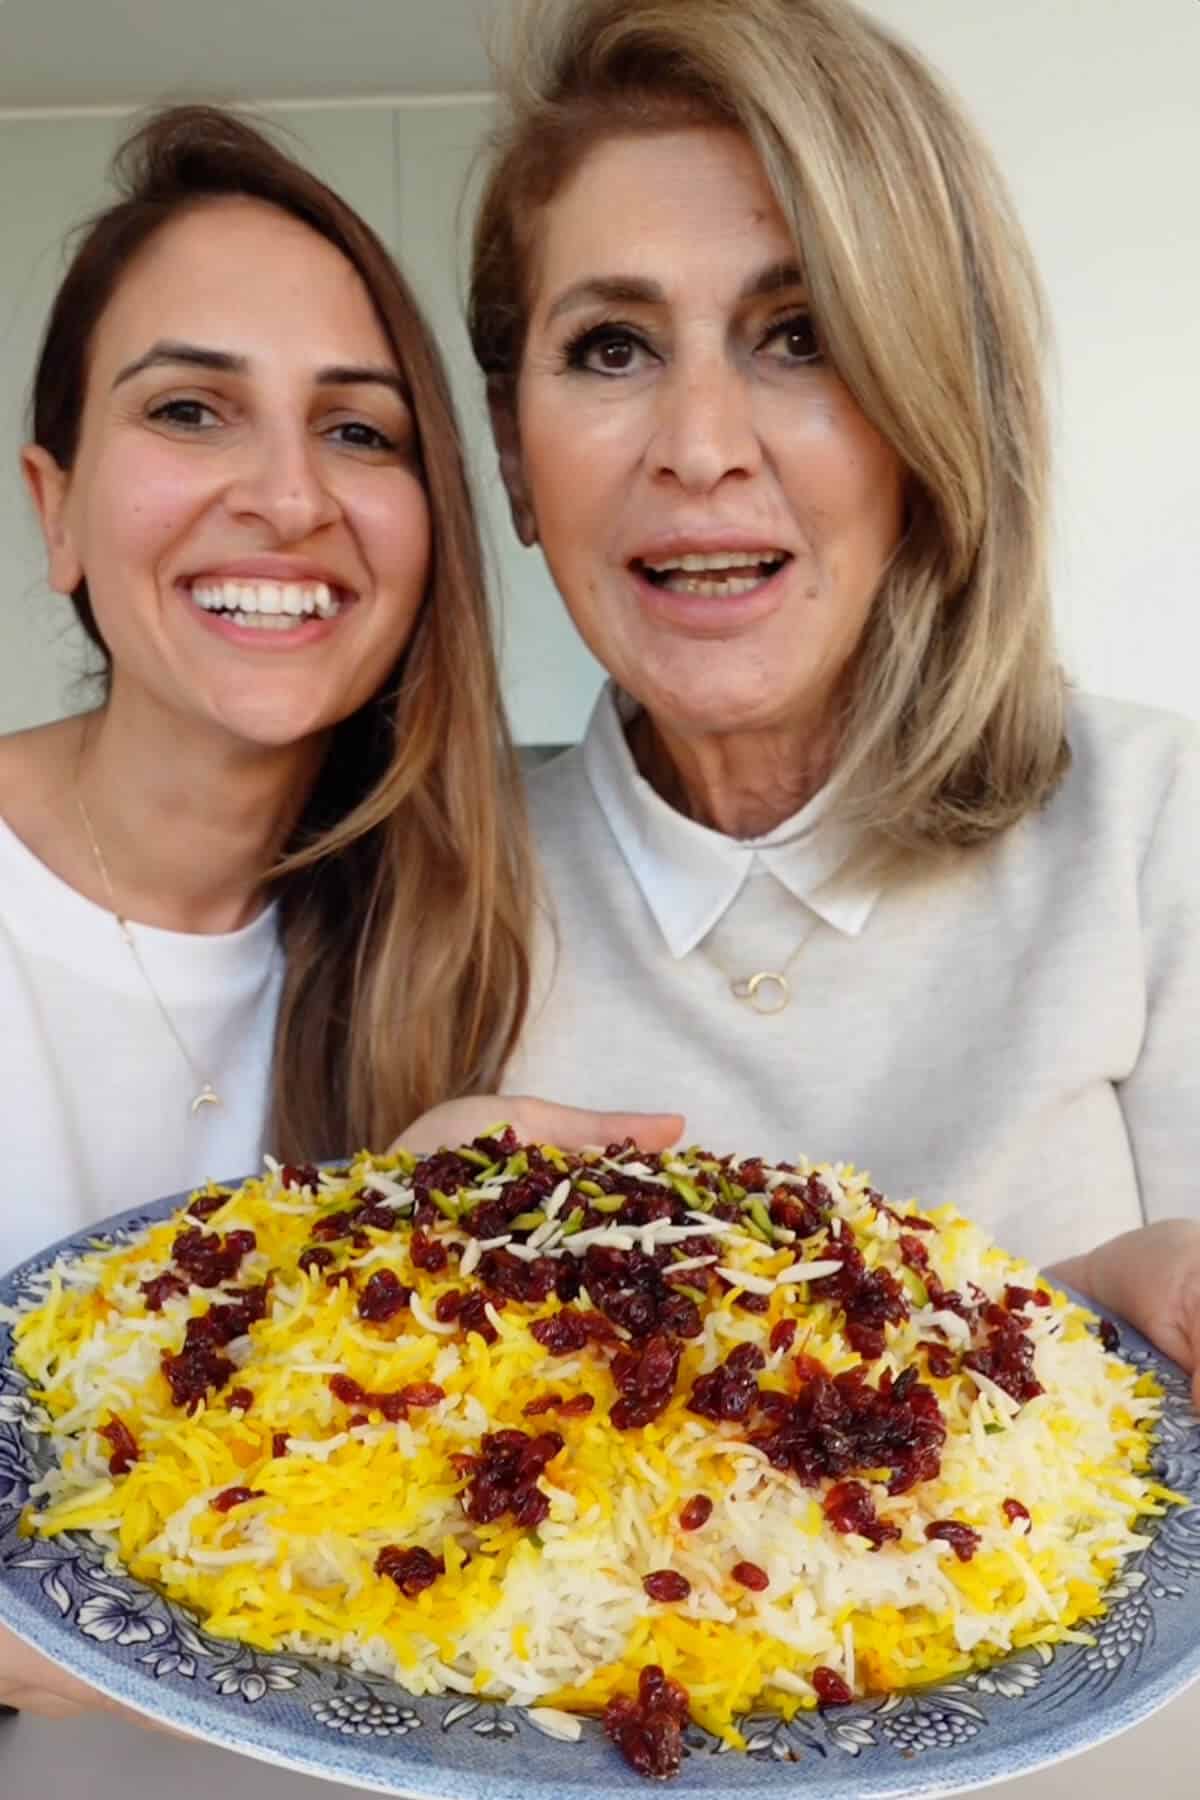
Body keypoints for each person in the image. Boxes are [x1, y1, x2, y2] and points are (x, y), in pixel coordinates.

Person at [0, 101, 676, 1719]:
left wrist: (436, 1271)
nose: (289, 499)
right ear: (58, 509)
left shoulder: (471, 921)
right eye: (191, 410)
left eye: (362, 433)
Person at [467, 0, 1200, 1385]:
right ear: (514, 452)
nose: (698, 448)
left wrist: (1014, 1379)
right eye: (612, 347)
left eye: (799, 336)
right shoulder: (433, 876)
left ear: (935, 413)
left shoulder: (1156, 823)